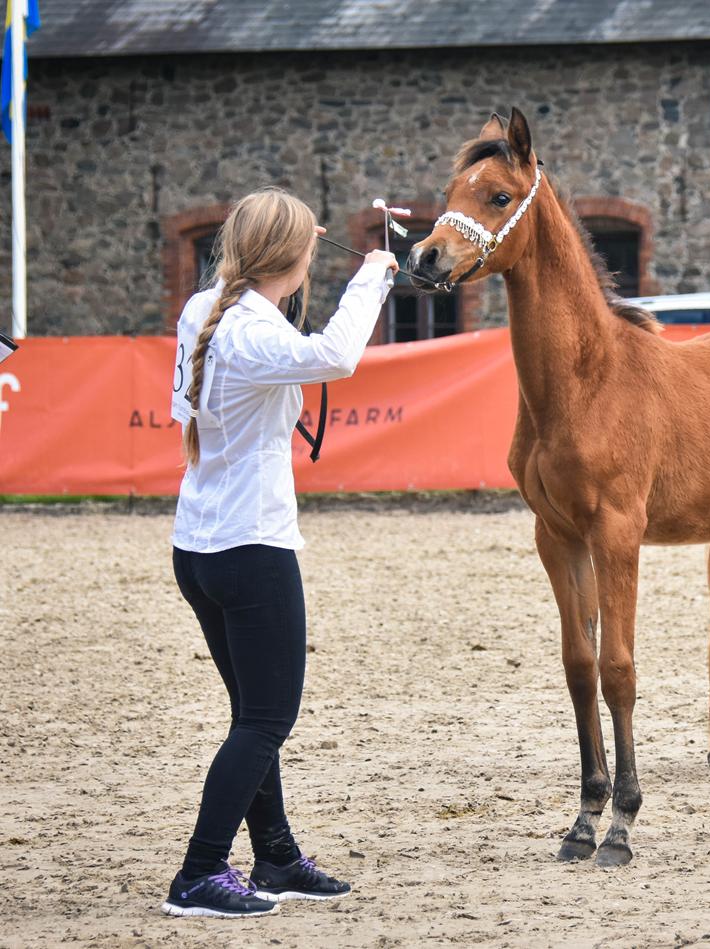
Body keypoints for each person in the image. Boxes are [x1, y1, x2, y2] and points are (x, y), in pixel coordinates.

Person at [162, 187, 397, 918]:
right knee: (267, 718)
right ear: (291, 258)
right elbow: (335, 355)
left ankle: (276, 856)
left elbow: (281, 331)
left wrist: (291, 259)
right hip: (250, 545)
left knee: (251, 715)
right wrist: (374, 272)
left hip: (199, 544)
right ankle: (199, 873)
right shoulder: (250, 330)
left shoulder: (206, 309)